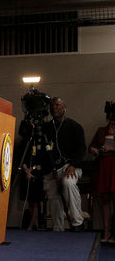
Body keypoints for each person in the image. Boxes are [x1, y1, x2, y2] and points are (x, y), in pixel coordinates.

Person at [43, 97, 87, 231]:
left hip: (71, 166)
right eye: (52, 106)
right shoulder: (47, 127)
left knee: (68, 183)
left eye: (57, 105)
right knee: (52, 194)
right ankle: (58, 227)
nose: (54, 108)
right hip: (52, 167)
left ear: (64, 107)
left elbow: (81, 149)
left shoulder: (74, 126)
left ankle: (77, 222)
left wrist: (73, 164)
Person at [89, 112, 115, 242]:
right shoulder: (101, 130)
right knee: (105, 199)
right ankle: (106, 230)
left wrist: (111, 150)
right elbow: (91, 146)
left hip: (114, 166)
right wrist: (93, 150)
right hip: (103, 166)